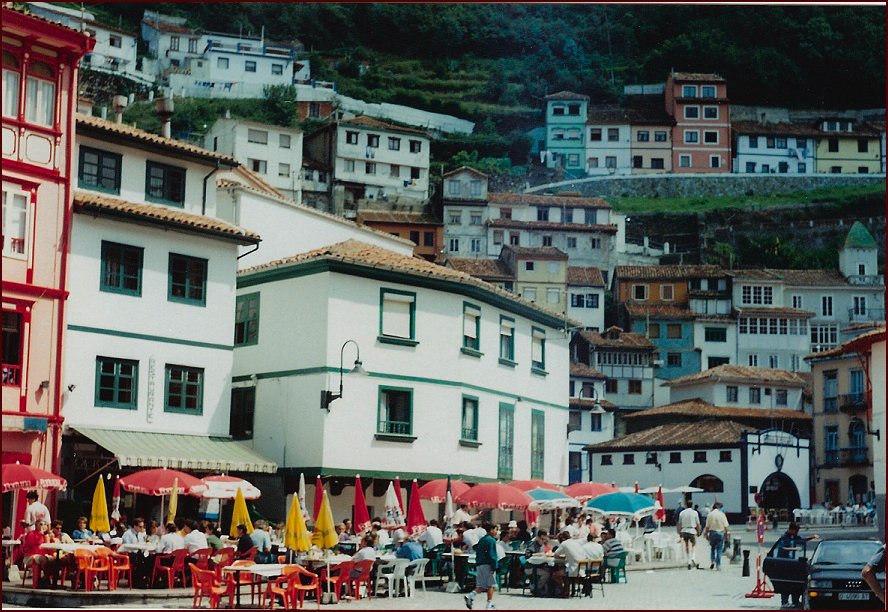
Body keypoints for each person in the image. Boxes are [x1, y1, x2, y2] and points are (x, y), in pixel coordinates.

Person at [774, 522, 819, 608]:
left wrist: (812, 537)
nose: (796, 533)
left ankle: (795, 601)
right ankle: (784, 601)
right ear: (791, 529)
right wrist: (794, 548)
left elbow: (802, 540)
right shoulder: (784, 537)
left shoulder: (794, 536)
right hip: (784, 563)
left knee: (794, 583)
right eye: (796, 531)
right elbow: (782, 548)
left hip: (793, 563)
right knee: (785, 583)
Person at [464, 522, 498, 610]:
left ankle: (470, 596)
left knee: (482, 585)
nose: (496, 531)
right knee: (491, 585)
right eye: (495, 529)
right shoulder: (491, 540)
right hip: (487, 564)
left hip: (480, 564)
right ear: (491, 530)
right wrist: (494, 566)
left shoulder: (482, 540)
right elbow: (492, 554)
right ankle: (489, 603)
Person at [20, 520, 57, 586]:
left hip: (43, 555)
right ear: (36, 526)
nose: (43, 526)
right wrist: (43, 536)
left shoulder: (46, 536)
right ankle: (46, 579)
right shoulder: (31, 534)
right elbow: (30, 545)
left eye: (45, 524)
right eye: (41, 524)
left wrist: (51, 539)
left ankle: (50, 581)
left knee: (56, 560)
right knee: (44, 559)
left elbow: (49, 548)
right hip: (31, 555)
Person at [551, 531, 587, 597]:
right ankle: (566, 590)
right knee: (565, 572)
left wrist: (563, 558)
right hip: (581, 567)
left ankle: (563, 590)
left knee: (554, 575)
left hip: (573, 569)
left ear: (563, 538)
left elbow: (555, 555)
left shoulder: (564, 543)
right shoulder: (576, 542)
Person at [703, 502, 730, 570]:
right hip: (720, 533)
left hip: (712, 533)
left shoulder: (710, 514)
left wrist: (706, 534)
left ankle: (712, 561)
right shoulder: (722, 514)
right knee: (719, 549)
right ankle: (718, 564)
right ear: (719, 508)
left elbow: (707, 526)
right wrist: (727, 535)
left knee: (712, 548)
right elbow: (726, 526)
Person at [677, 501, 701, 569]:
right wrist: (699, 531)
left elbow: (680, 524)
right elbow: (698, 524)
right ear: (692, 505)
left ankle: (688, 560)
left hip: (684, 530)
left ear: (686, 505)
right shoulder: (695, 513)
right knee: (694, 544)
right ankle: (693, 557)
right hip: (692, 530)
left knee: (686, 545)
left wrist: (679, 532)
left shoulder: (682, 513)